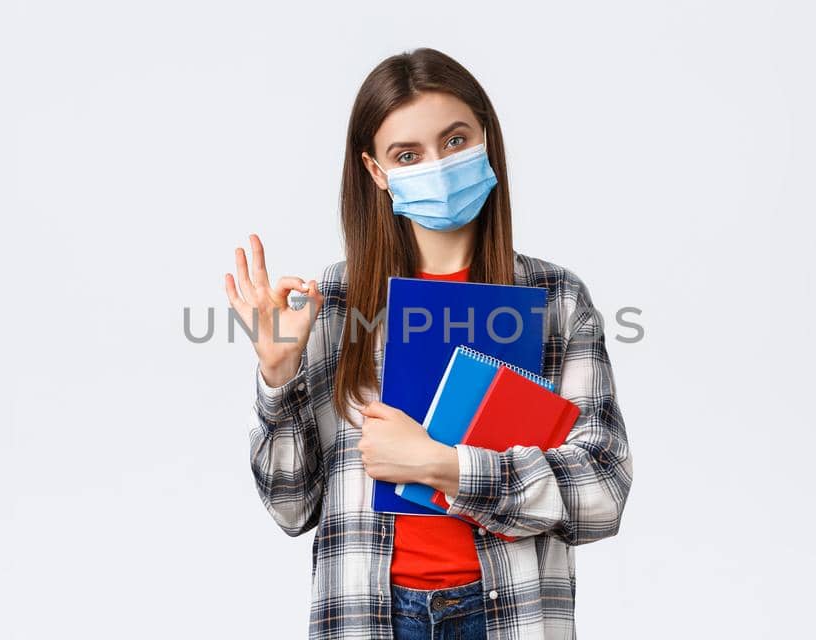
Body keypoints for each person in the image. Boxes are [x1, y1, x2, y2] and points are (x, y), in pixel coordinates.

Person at [226, 47, 634, 640]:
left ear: (486, 138)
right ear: (376, 171)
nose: (438, 166)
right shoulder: (335, 302)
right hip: (370, 612)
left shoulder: (556, 299)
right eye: (408, 155)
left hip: (510, 614)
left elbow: (602, 492)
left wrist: (444, 467)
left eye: (455, 139)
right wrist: (279, 375)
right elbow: (290, 507)